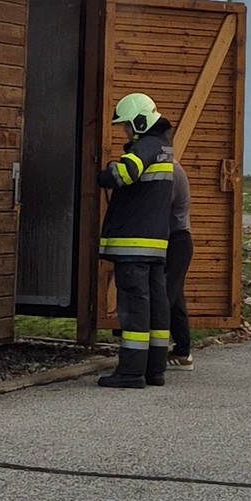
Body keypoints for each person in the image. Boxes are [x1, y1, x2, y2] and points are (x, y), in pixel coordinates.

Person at [96, 92, 176, 390]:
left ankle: (130, 373)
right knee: (156, 306)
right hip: (155, 245)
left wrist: (104, 175)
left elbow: (126, 173)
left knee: (134, 308)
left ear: (140, 121)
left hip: (134, 245)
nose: (125, 132)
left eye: (127, 126)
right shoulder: (164, 146)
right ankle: (154, 371)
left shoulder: (147, 145)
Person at [166, 160, 194, 371]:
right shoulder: (171, 168)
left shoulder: (170, 170)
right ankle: (182, 352)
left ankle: (154, 351)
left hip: (175, 240)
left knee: (166, 295)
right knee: (175, 298)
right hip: (177, 240)